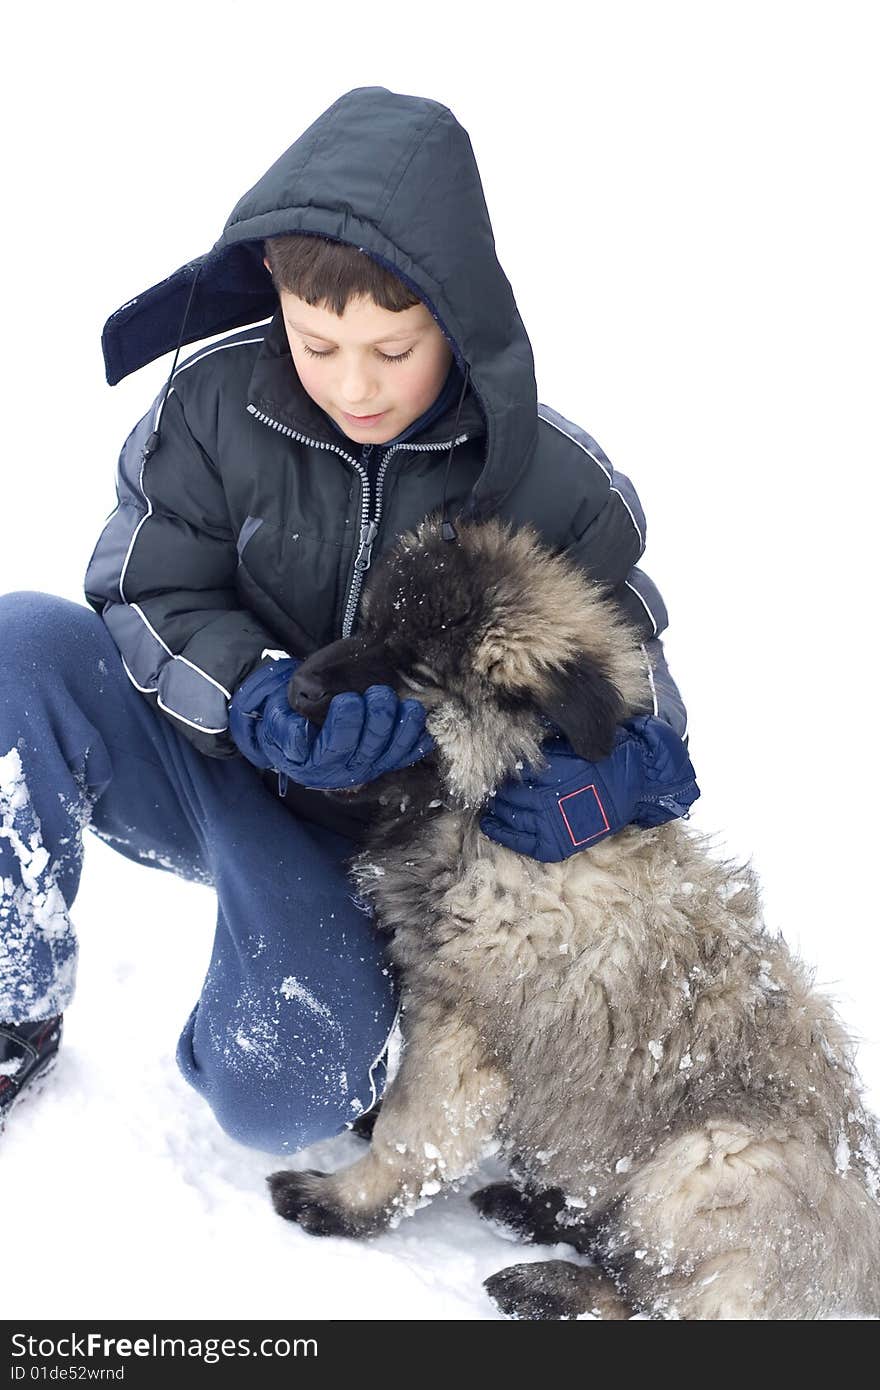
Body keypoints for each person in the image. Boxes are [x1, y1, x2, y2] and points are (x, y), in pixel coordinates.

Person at [0, 86, 698, 1147]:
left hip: (401, 852)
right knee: (19, 649)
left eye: (393, 347)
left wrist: (626, 768)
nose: (355, 386)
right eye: (319, 345)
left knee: (287, 1100)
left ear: (457, 319)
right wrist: (253, 695)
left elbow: (635, 666)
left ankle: (314, 969)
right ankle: (15, 998)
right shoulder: (208, 407)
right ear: (274, 287)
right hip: (223, 770)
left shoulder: (556, 481)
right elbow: (144, 590)